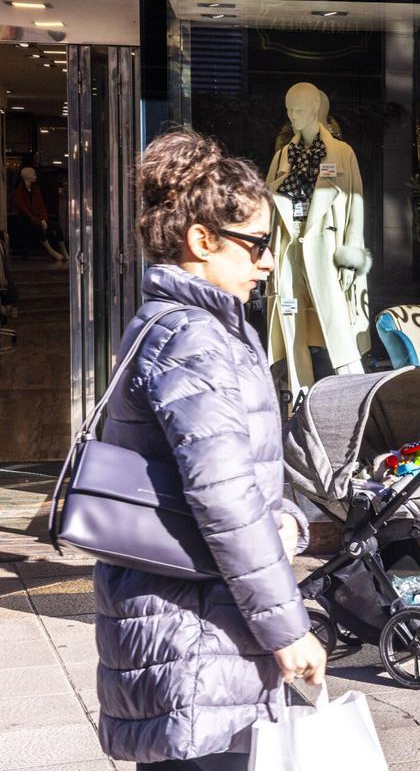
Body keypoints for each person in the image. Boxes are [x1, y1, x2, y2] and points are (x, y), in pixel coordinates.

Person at [94, 131, 327, 770]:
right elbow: (223, 498)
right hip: (197, 632)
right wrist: (288, 630)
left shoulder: (177, 325)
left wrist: (284, 516)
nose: (269, 261)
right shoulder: (196, 337)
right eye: (256, 244)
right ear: (203, 241)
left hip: (183, 623)